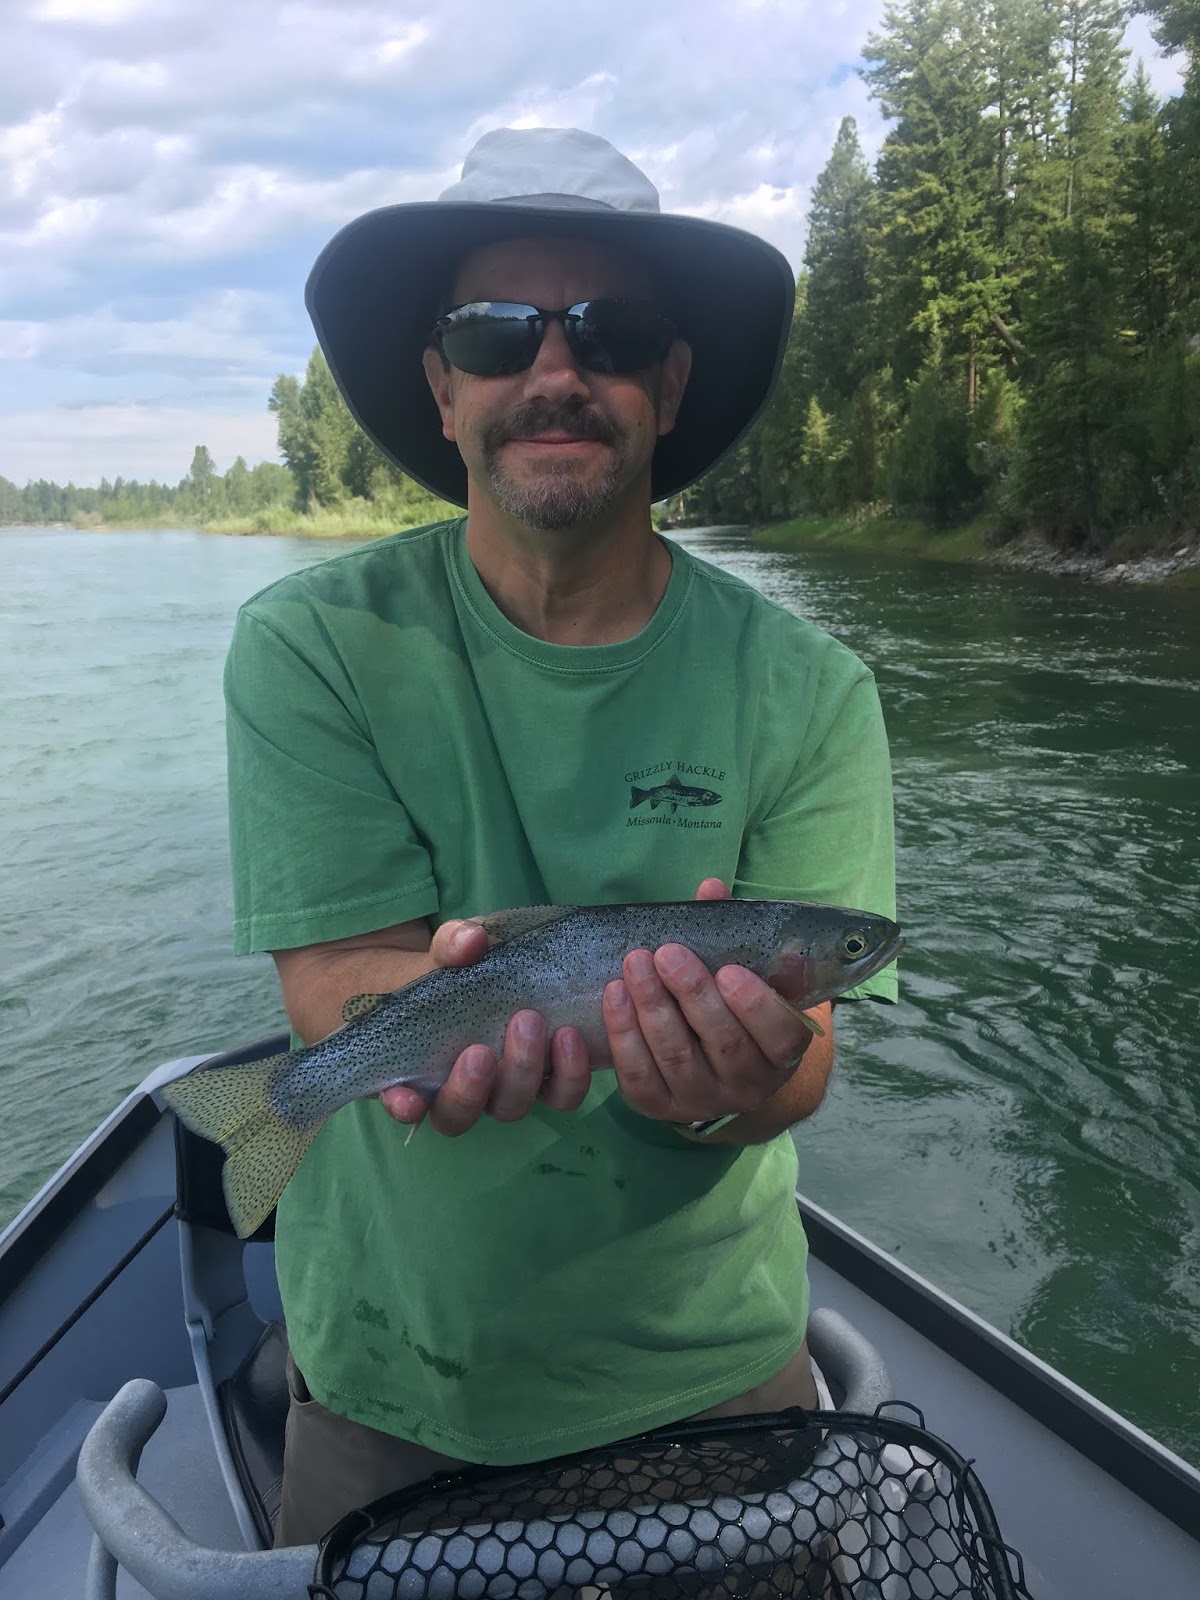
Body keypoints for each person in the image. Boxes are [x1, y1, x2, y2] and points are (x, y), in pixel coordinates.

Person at [223, 127, 897, 1547]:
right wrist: (417, 1023)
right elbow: (326, 983)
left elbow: (810, 1056)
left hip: (718, 1377)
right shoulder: (312, 646)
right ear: (441, 383)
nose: (555, 371)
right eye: (495, 331)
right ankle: (266, 1124)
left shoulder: (812, 687)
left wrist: (714, 1086)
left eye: (611, 331)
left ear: (667, 381)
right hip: (397, 1385)